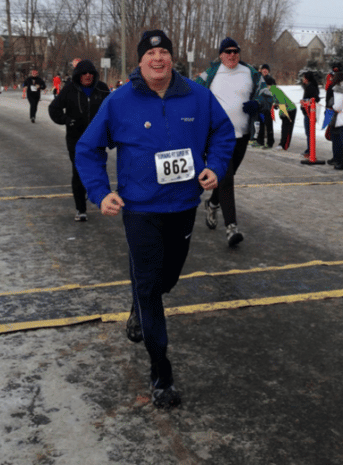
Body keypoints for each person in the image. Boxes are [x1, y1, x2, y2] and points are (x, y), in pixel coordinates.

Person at [75, 29, 234, 408]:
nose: (158, 59)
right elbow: (88, 148)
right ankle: (162, 373)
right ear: (140, 60)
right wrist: (100, 192)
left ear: (172, 58)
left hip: (182, 206)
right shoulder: (120, 101)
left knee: (168, 279)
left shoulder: (197, 95)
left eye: (164, 52)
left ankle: (140, 304)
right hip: (141, 210)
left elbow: (223, 132)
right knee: (148, 287)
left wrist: (216, 166)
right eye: (151, 53)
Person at [195, 37, 271, 246]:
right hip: (217, 137)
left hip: (242, 135)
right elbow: (192, 94)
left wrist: (257, 104)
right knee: (227, 178)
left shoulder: (251, 73)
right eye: (227, 52)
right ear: (220, 55)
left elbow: (267, 96)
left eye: (235, 51)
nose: (232, 55)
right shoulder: (210, 74)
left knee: (226, 176)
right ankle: (231, 228)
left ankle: (212, 204)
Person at [48, 60, 110, 221]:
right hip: (76, 138)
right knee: (79, 172)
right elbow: (53, 108)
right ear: (78, 75)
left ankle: (102, 199)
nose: (87, 76)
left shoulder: (102, 88)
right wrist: (66, 120)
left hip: (97, 138)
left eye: (90, 73)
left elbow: (114, 109)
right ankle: (80, 208)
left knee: (97, 170)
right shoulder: (70, 89)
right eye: (84, 73)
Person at [253, 64, 276, 149]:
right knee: (260, 123)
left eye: (266, 69)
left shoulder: (270, 80)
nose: (265, 71)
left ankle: (270, 142)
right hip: (260, 104)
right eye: (263, 69)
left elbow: (274, 91)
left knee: (268, 124)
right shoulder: (259, 79)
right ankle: (260, 141)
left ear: (268, 71)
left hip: (268, 104)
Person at [300, 70, 320, 158]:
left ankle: (310, 150)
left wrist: (304, 103)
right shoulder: (309, 86)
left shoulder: (310, 87)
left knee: (309, 132)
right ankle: (309, 149)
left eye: (304, 78)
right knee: (309, 132)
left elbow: (313, 99)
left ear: (307, 79)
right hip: (308, 112)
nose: (302, 79)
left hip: (309, 113)